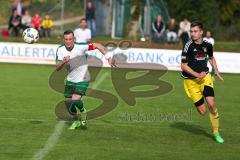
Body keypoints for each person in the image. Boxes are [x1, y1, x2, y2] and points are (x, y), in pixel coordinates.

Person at [55, 30, 115, 130]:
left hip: (83, 78)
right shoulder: (60, 50)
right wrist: (63, 61)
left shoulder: (81, 46)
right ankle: (76, 121)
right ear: (63, 40)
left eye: (70, 39)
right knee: (68, 103)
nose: (68, 41)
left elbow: (98, 45)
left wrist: (108, 57)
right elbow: (57, 68)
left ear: (74, 39)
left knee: (75, 100)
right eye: (66, 39)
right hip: (70, 80)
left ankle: (83, 112)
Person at [181, 21, 224, 143]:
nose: (193, 34)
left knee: (211, 104)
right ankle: (198, 101)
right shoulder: (188, 45)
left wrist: (216, 71)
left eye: (195, 31)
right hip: (191, 81)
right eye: (191, 31)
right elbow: (183, 66)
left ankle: (216, 132)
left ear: (201, 32)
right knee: (203, 112)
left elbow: (211, 58)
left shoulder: (208, 45)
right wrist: (196, 75)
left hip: (205, 78)